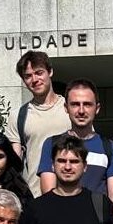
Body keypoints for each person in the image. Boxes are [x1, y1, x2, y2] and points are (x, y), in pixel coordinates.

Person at [37, 78, 113, 198]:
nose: (81, 111)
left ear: (97, 108)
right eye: (75, 104)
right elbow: (48, 197)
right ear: (66, 107)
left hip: (97, 210)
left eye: (87, 104)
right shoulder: (52, 144)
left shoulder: (109, 147)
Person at [8, 50, 70, 195]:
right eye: (28, 76)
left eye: (39, 73)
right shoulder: (18, 116)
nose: (34, 79)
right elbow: (13, 164)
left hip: (72, 193)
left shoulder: (71, 109)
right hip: (35, 196)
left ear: (50, 72)